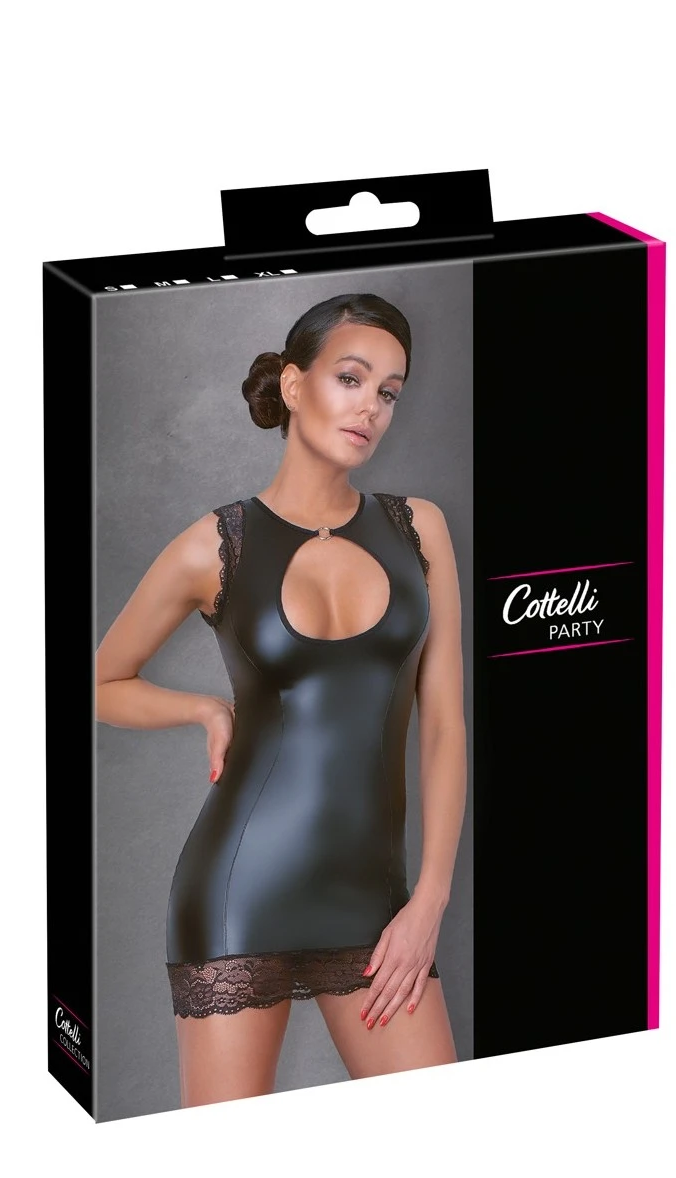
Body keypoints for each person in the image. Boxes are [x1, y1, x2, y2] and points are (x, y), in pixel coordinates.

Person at [95, 292, 468, 1108]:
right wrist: (204, 709)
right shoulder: (215, 546)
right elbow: (100, 683)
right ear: (294, 386)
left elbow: (443, 726)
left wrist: (429, 899)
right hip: (238, 892)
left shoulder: (419, 531)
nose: (371, 408)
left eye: (390, 392)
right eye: (351, 378)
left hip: (376, 903)